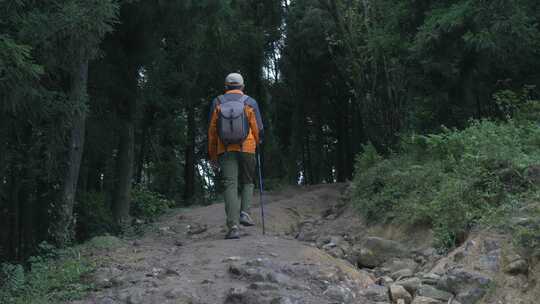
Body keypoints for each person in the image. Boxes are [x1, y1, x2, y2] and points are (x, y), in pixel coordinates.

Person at [208, 73, 264, 239]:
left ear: (226, 86)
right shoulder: (250, 102)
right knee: (248, 181)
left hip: (224, 148)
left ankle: (233, 227)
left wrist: (213, 155)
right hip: (247, 147)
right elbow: (257, 128)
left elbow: (212, 132)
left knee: (230, 185)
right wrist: (258, 142)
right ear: (242, 86)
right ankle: (245, 213)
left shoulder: (217, 102)